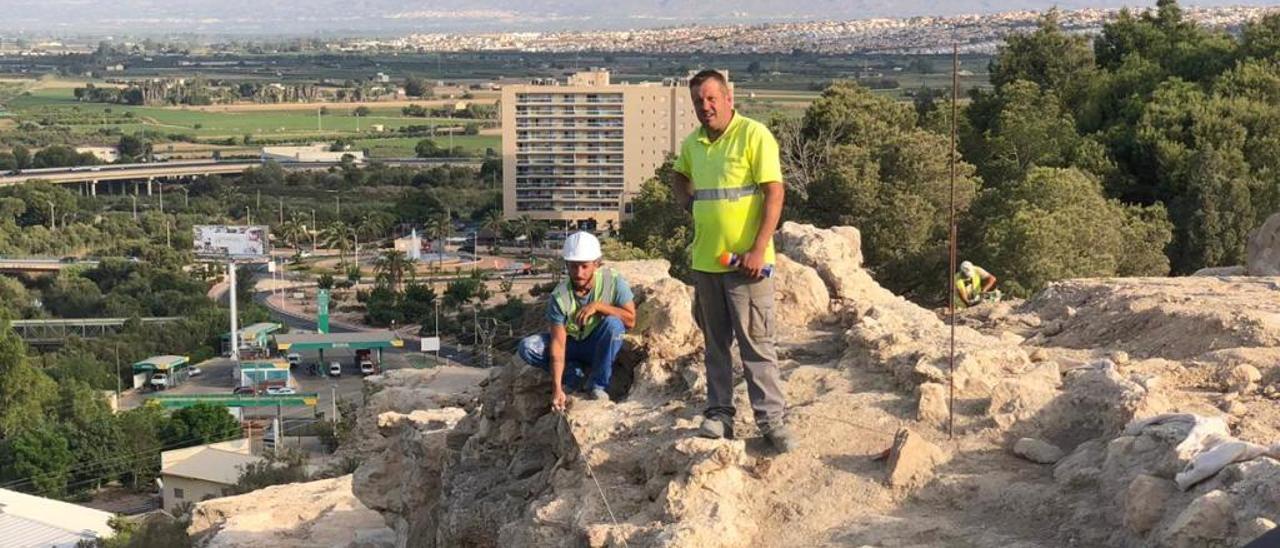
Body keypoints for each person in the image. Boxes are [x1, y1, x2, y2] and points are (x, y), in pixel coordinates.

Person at [670, 69, 794, 452]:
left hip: (746, 265)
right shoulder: (693, 144)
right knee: (716, 345)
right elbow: (678, 177)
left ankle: (771, 421)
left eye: (710, 98)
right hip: (706, 261)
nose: (704, 107)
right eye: (698, 102)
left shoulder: (754, 135)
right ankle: (720, 414)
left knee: (756, 343)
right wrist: (688, 203)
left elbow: (774, 193)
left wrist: (759, 249)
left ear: (727, 98)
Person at [517, 231, 636, 411]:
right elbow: (558, 344)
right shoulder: (560, 296)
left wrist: (599, 307)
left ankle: (597, 385)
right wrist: (557, 388)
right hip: (571, 345)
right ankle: (573, 376)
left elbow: (630, 320)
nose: (578, 273)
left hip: (596, 345)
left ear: (596, 264)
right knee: (528, 347)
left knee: (614, 324)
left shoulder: (613, 281)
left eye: (584, 266)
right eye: (573, 267)